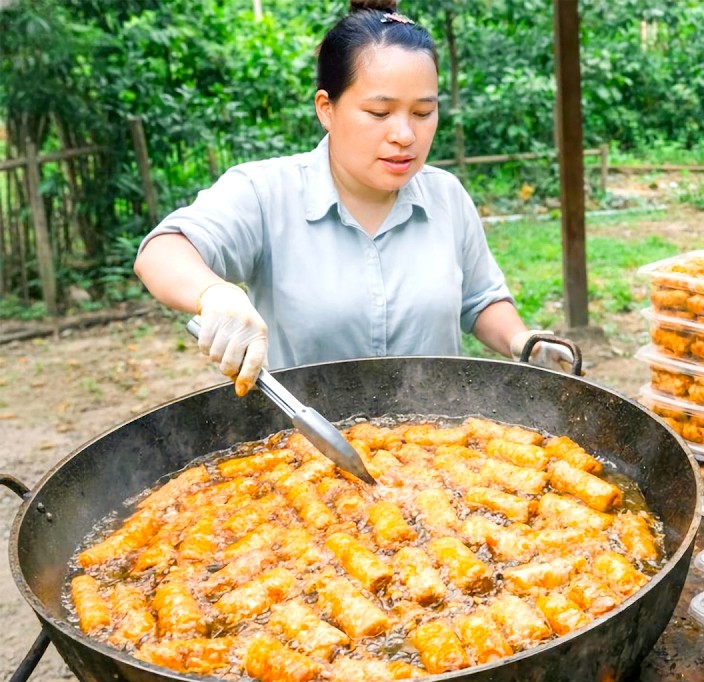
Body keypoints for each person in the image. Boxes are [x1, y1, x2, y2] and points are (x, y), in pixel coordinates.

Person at [134, 0, 572, 396]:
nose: (404, 135)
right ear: (326, 108)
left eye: (423, 112)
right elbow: (162, 252)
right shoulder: (265, 192)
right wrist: (214, 293)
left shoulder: (446, 196)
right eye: (379, 113)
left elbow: (479, 300)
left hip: (438, 448)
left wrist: (521, 341)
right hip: (306, 454)